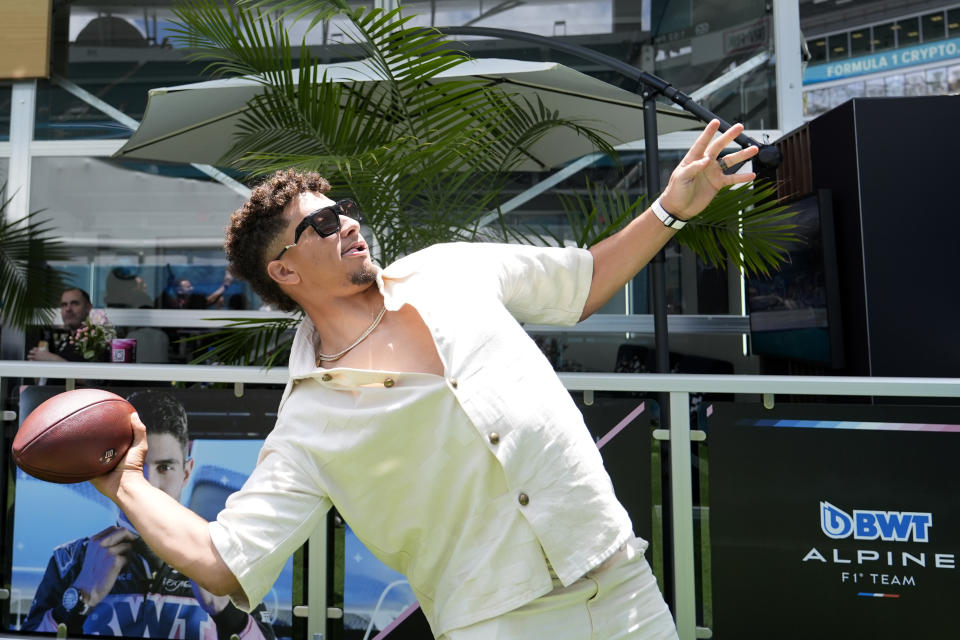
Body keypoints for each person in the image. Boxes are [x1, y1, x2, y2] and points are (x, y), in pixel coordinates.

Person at [93, 120, 758, 639]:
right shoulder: (310, 422)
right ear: (286, 272)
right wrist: (121, 481)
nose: (347, 222)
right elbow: (223, 558)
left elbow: (580, 282)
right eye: (321, 224)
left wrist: (673, 207)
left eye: (342, 208)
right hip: (496, 623)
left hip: (620, 580)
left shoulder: (447, 268)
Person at [23, 390, 276, 640]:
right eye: (136, 466)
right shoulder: (69, 560)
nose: (149, 483)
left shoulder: (230, 558)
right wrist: (80, 596)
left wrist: (226, 612)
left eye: (164, 467)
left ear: (186, 473)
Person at [27, 287, 96, 363]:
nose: (68, 309)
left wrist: (51, 358)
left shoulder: (96, 339)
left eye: (74, 303)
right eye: (64, 305)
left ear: (88, 307)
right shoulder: (66, 340)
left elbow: (91, 373)